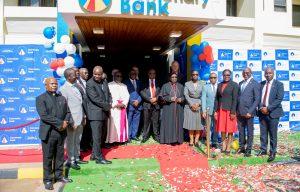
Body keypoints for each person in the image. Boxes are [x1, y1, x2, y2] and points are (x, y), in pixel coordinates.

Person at [36, 77, 72, 190]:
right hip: (48, 132)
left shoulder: (61, 97)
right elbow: (44, 116)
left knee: (60, 156)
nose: (54, 85)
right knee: (48, 157)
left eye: (56, 84)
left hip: (61, 132)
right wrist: (60, 123)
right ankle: (47, 180)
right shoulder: (40, 98)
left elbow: (68, 112)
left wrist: (66, 122)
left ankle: (59, 176)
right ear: (46, 85)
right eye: (51, 84)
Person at [60, 68, 87, 171]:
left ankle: (76, 157)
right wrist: (71, 121)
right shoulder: (64, 89)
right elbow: (65, 107)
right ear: (68, 77)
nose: (76, 76)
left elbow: (80, 103)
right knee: (71, 141)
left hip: (80, 118)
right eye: (74, 75)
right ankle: (71, 160)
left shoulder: (76, 86)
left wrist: (84, 116)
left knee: (78, 139)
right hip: (72, 120)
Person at [86, 66, 112, 164]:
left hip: (104, 113)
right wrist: (107, 106)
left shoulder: (104, 81)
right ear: (93, 73)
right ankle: (99, 158)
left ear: (102, 74)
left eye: (99, 74)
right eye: (95, 74)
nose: (97, 76)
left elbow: (108, 94)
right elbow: (95, 99)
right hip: (95, 114)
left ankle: (93, 155)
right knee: (97, 137)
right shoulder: (89, 83)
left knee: (100, 136)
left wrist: (110, 102)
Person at [257, 67, 284, 162]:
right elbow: (258, 97)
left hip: (273, 113)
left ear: (273, 74)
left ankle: (272, 152)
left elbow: (279, 99)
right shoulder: (261, 84)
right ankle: (263, 150)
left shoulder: (279, 85)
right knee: (263, 133)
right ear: (264, 74)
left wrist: (268, 108)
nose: (268, 75)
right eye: (266, 73)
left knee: (273, 134)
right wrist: (261, 108)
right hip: (262, 112)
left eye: (270, 73)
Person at [237, 67, 260, 157]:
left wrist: (250, 111)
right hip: (240, 112)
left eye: (247, 72)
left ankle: (249, 149)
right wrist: (236, 110)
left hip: (249, 113)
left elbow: (257, 99)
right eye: (244, 72)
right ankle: (242, 147)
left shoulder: (255, 83)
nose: (245, 74)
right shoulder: (241, 83)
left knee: (250, 131)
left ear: (251, 73)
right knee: (241, 131)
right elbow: (239, 98)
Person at [214, 69, 238, 155]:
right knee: (223, 129)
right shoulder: (220, 85)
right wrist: (216, 110)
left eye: (228, 75)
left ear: (230, 75)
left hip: (230, 111)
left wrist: (233, 112)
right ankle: (223, 146)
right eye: (225, 75)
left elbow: (235, 100)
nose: (226, 76)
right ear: (222, 76)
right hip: (221, 110)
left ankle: (228, 147)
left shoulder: (234, 85)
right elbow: (217, 99)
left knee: (230, 130)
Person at [160, 73, 185, 144]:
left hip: (178, 108)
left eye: (175, 77)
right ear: (170, 78)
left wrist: (181, 99)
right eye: (172, 77)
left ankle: (178, 140)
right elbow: (161, 97)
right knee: (169, 123)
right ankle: (169, 140)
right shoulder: (165, 86)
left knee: (178, 123)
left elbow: (184, 96)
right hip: (168, 108)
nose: (174, 78)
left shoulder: (180, 86)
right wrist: (170, 98)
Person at [106, 71, 130, 144]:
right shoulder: (109, 85)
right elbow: (108, 97)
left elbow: (127, 96)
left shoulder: (124, 86)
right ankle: (112, 140)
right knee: (113, 125)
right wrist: (114, 104)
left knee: (121, 124)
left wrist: (124, 103)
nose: (119, 77)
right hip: (114, 109)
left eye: (120, 76)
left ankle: (121, 140)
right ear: (114, 76)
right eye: (117, 76)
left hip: (122, 108)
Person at [183, 70, 204, 147]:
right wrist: (192, 104)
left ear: (198, 75)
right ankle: (191, 140)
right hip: (189, 105)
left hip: (199, 104)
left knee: (198, 124)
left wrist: (198, 103)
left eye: (196, 74)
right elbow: (186, 94)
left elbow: (204, 95)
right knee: (191, 124)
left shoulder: (202, 84)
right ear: (191, 76)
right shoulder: (187, 84)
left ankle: (196, 140)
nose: (195, 75)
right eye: (193, 74)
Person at [140, 69, 161, 143]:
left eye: (154, 73)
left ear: (155, 74)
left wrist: (156, 99)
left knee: (156, 122)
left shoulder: (159, 82)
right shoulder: (144, 82)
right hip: (147, 104)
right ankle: (145, 136)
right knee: (146, 121)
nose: (152, 75)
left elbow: (161, 92)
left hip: (156, 104)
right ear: (148, 74)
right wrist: (149, 99)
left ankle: (156, 136)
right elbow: (142, 92)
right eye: (150, 73)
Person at [124, 69, 142, 141]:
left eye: (135, 74)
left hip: (138, 105)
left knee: (136, 121)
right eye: (132, 74)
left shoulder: (139, 82)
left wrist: (138, 100)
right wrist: (132, 102)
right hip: (130, 105)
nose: (133, 75)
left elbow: (142, 92)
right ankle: (128, 136)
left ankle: (134, 135)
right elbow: (124, 94)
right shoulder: (125, 82)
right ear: (129, 74)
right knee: (129, 121)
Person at [202, 72, 218, 148]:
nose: (213, 79)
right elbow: (203, 99)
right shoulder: (205, 87)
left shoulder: (219, 87)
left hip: (217, 111)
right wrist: (204, 110)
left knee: (216, 127)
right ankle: (208, 141)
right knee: (207, 127)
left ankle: (215, 142)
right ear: (209, 79)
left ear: (216, 78)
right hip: (208, 110)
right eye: (211, 77)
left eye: (214, 77)